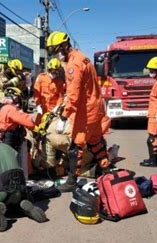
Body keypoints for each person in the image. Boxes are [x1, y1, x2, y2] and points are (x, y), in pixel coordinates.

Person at [46, 31, 110, 192]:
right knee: (96, 143)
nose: (56, 55)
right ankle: (106, 169)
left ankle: (72, 181)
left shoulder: (73, 65)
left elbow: (74, 96)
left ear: (63, 46)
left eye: (56, 51)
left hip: (86, 112)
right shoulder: (82, 57)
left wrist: (63, 116)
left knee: (75, 148)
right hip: (95, 108)